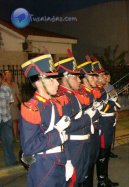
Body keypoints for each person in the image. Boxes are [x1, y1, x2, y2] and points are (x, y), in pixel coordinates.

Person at [20, 54, 70, 186]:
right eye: (52, 79)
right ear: (39, 82)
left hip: (60, 161)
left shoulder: (54, 103)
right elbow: (29, 146)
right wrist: (57, 132)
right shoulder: (32, 108)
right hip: (43, 167)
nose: (58, 83)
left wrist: (68, 160)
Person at [54, 56, 99, 186]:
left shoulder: (73, 94)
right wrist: (87, 118)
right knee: (73, 182)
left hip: (83, 143)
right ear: (66, 77)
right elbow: (67, 127)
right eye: (75, 77)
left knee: (82, 179)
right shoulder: (61, 97)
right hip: (73, 146)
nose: (79, 80)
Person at [92, 58, 119, 187]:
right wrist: (110, 100)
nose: (104, 76)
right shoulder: (95, 90)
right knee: (102, 154)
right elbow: (100, 109)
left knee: (106, 153)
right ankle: (101, 181)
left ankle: (105, 178)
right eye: (101, 74)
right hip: (102, 125)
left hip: (108, 124)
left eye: (103, 74)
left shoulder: (103, 89)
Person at [77, 57, 102, 187]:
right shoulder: (81, 94)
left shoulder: (90, 93)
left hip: (94, 131)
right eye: (92, 77)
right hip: (86, 135)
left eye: (95, 76)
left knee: (92, 162)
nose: (95, 79)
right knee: (85, 168)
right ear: (84, 78)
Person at [0, 72, 17, 166]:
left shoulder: (6, 88)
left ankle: (10, 161)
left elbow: (10, 101)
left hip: (5, 118)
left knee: (8, 141)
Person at [103, 71, 119, 159]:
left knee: (111, 133)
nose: (109, 76)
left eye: (109, 75)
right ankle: (105, 152)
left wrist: (116, 111)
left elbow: (115, 98)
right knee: (105, 134)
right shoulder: (102, 87)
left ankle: (109, 151)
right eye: (107, 75)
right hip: (106, 113)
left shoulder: (111, 86)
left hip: (113, 110)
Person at [3, 70, 22, 142]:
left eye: (10, 75)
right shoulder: (3, 84)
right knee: (7, 122)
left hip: (14, 104)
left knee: (15, 121)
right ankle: (7, 137)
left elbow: (17, 94)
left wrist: (21, 103)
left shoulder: (14, 84)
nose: (9, 76)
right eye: (7, 75)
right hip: (6, 105)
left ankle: (16, 136)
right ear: (4, 76)